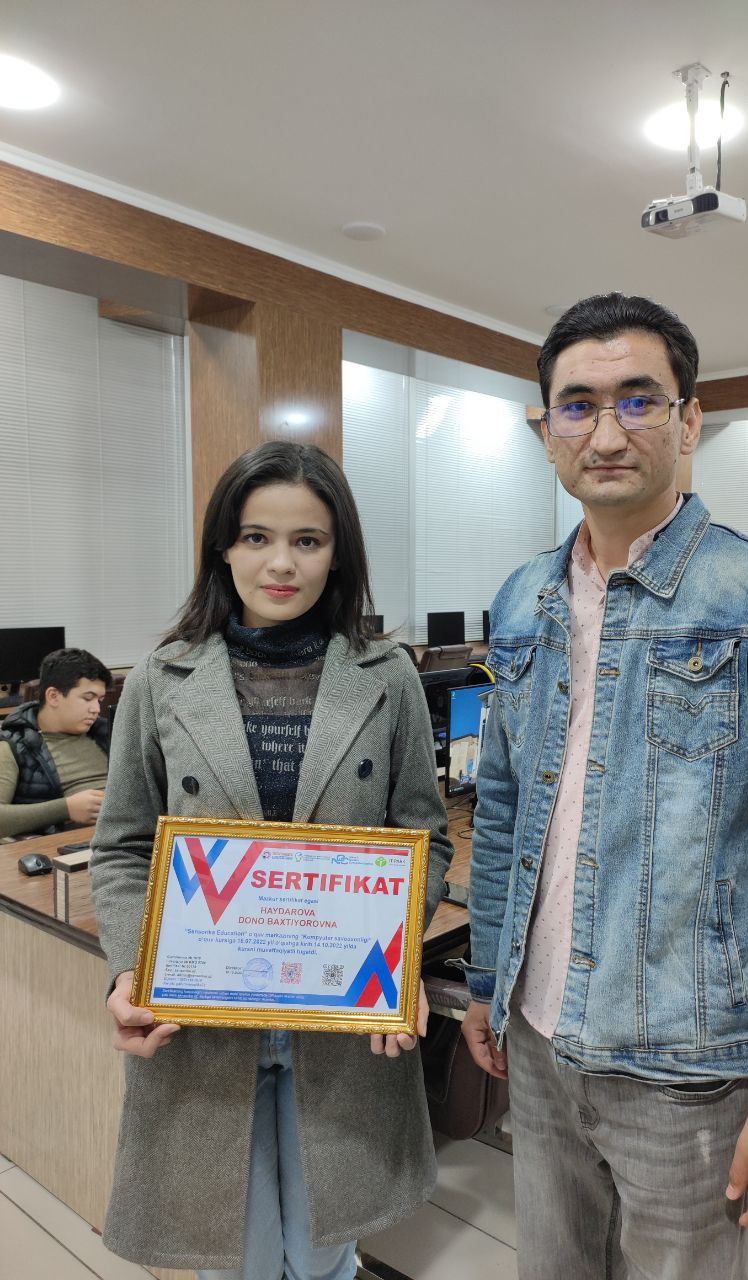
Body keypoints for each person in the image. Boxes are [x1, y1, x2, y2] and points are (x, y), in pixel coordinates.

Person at [461, 293, 748, 1280]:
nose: (606, 432)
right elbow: (503, 813)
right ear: (546, 430)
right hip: (536, 1044)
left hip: (689, 1069)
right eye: (577, 405)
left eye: (639, 400)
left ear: (689, 420)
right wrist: (488, 982)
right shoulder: (522, 600)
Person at [90, 441, 453, 1278]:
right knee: (234, 1257)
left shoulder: (387, 676)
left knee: (325, 1257)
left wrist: (394, 956)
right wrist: (128, 970)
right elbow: (124, 846)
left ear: (339, 553)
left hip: (342, 1020)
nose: (281, 563)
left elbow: (421, 834)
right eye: (256, 537)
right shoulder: (161, 678)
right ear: (223, 546)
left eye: (307, 540)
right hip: (205, 1023)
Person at [0, 647, 111, 839]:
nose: (96, 709)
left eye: (99, 700)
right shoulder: (13, 745)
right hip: (72, 847)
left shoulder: (106, 732)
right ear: (53, 696)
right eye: (88, 698)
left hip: (131, 838)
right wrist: (66, 808)